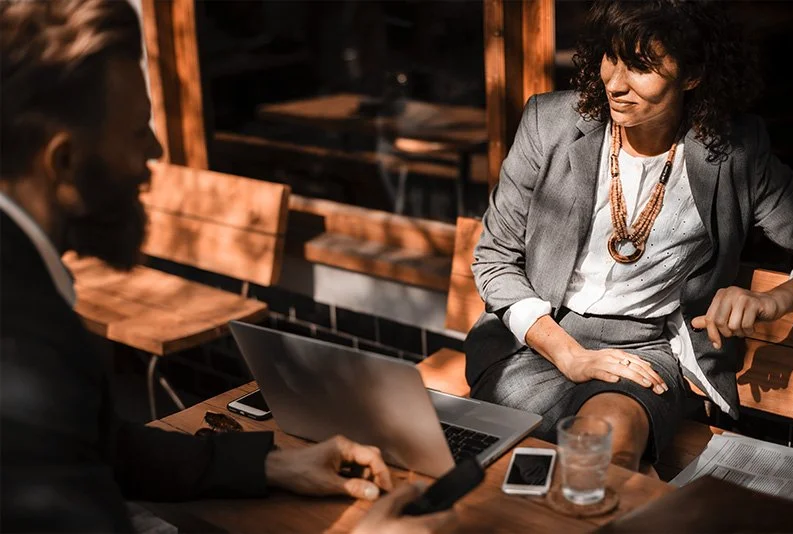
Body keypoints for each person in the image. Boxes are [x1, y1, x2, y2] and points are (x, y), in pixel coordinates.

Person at [0, 2, 456, 533]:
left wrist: (269, 464)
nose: (154, 152)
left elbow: (100, 444)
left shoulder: (24, 283)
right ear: (63, 162)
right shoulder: (23, 343)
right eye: (135, 132)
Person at [466, 0, 793, 474]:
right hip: (538, 341)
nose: (615, 83)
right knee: (522, 468)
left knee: (603, 455)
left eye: (641, 68)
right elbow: (494, 258)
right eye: (611, 58)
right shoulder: (550, 123)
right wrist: (571, 355)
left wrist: (775, 300)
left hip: (642, 350)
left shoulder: (734, 151)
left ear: (692, 75)